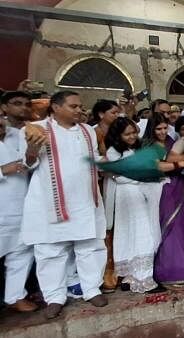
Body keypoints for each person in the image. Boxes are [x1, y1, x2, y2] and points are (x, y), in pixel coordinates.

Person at [21, 91, 108, 319]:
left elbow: (91, 159)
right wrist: (31, 149)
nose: (80, 110)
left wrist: (109, 163)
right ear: (56, 108)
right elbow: (28, 163)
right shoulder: (36, 129)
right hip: (50, 201)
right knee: (50, 251)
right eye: (74, 106)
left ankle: (92, 289)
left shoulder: (88, 130)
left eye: (81, 106)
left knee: (90, 246)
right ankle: (55, 297)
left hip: (85, 200)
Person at [104, 117, 162, 293]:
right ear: (118, 135)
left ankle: (142, 275)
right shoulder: (113, 152)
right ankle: (137, 278)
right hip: (126, 197)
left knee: (146, 234)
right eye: (127, 134)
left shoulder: (139, 148)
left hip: (143, 195)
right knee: (131, 234)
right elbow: (120, 177)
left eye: (133, 133)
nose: (131, 137)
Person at [154, 116, 184, 289]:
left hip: (182, 187)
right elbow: (167, 161)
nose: (162, 132)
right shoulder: (177, 142)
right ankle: (172, 272)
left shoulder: (177, 141)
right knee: (172, 228)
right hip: (168, 188)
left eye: (164, 128)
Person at [0, 95, 38, 313]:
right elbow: (11, 168)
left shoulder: (24, 134)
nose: (23, 108)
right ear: (4, 108)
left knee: (21, 251)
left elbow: (29, 165)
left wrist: (31, 156)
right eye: (17, 103)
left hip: (20, 203)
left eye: (26, 104)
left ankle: (15, 296)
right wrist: (3, 170)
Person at [90, 99, 120, 293]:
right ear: (101, 114)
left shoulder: (120, 132)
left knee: (120, 224)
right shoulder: (93, 133)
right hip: (104, 183)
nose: (117, 116)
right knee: (106, 227)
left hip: (123, 183)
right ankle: (106, 270)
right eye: (113, 113)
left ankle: (120, 266)